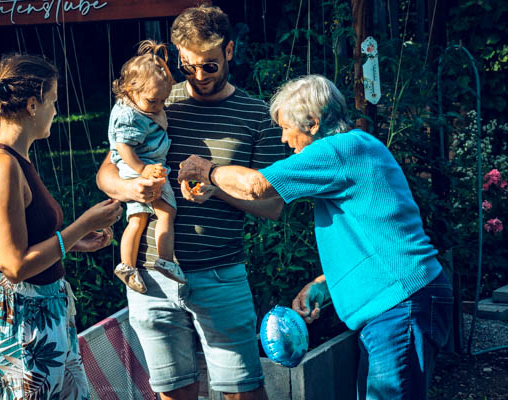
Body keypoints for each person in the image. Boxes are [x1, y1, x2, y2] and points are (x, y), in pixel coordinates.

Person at [178, 74, 454, 400]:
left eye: (286, 128)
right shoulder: (356, 148)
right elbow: (377, 234)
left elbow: (257, 186)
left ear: (312, 122)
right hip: (400, 303)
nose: (284, 139)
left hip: (399, 305)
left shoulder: (338, 150)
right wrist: (325, 284)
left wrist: (207, 170)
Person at [96, 5, 286, 399]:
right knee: (173, 394)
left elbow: (273, 207)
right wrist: (135, 190)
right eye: (189, 65)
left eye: (210, 66)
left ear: (230, 50)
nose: (199, 76)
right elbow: (106, 174)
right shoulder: (155, 98)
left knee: (243, 392)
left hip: (220, 274)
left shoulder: (257, 116)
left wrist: (217, 186)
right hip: (150, 277)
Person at [0, 54, 123, 400]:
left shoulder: (19, 159)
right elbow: (14, 266)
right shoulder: (1, 167)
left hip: (41, 314)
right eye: (53, 101)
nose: (56, 110)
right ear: (33, 105)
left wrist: (76, 240)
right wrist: (82, 224)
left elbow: (27, 238)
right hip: (16, 321)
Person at [109, 40, 186, 294]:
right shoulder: (129, 115)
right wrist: (142, 169)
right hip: (141, 169)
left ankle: (128, 265)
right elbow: (123, 147)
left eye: (163, 101)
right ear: (130, 89)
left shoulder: (139, 106)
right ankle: (164, 260)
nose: (159, 107)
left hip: (143, 168)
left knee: (138, 218)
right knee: (165, 212)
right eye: (153, 101)